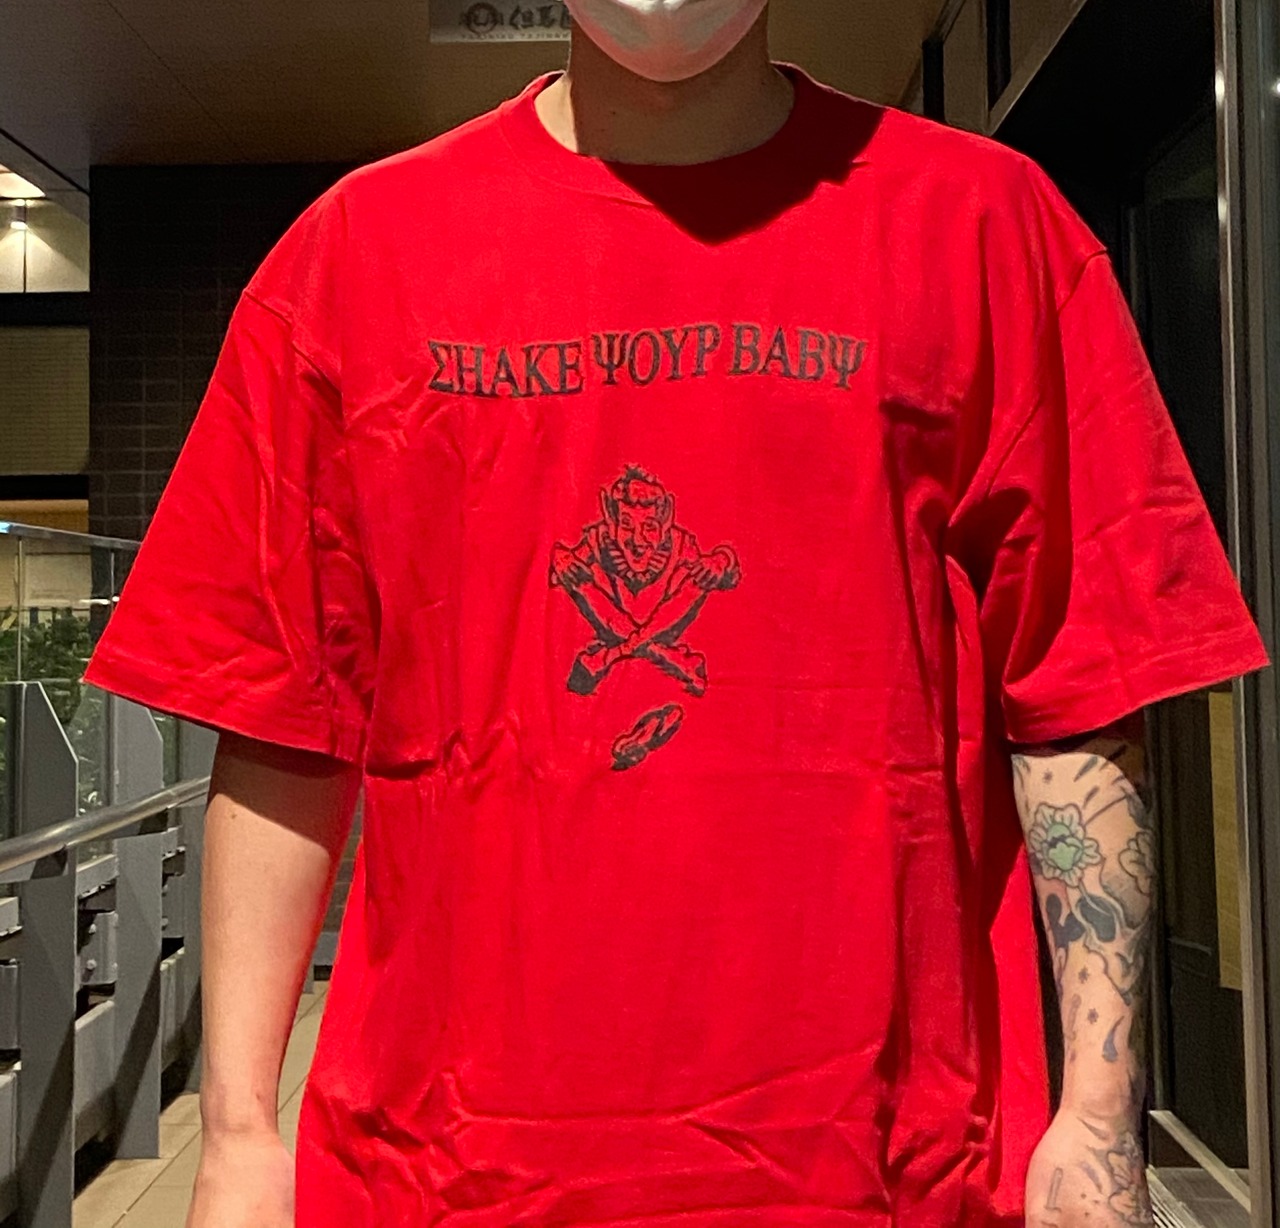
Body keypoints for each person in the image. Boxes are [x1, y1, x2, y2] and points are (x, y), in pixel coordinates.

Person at [82, 2, 1269, 1225]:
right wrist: (237, 1135)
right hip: (448, 1172)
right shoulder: (355, 255)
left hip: (882, 1162)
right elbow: (282, 721)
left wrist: (1098, 1117)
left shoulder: (981, 225)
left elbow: (1077, 690)